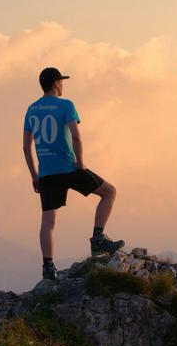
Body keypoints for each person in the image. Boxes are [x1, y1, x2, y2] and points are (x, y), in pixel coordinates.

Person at [22, 66, 123, 280]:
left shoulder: (31, 109)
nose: (63, 85)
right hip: (69, 168)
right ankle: (98, 239)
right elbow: (76, 137)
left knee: (48, 221)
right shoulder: (66, 105)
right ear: (56, 83)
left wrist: (34, 175)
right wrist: (81, 164)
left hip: (46, 174)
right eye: (61, 81)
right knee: (109, 192)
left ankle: (48, 268)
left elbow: (25, 146)